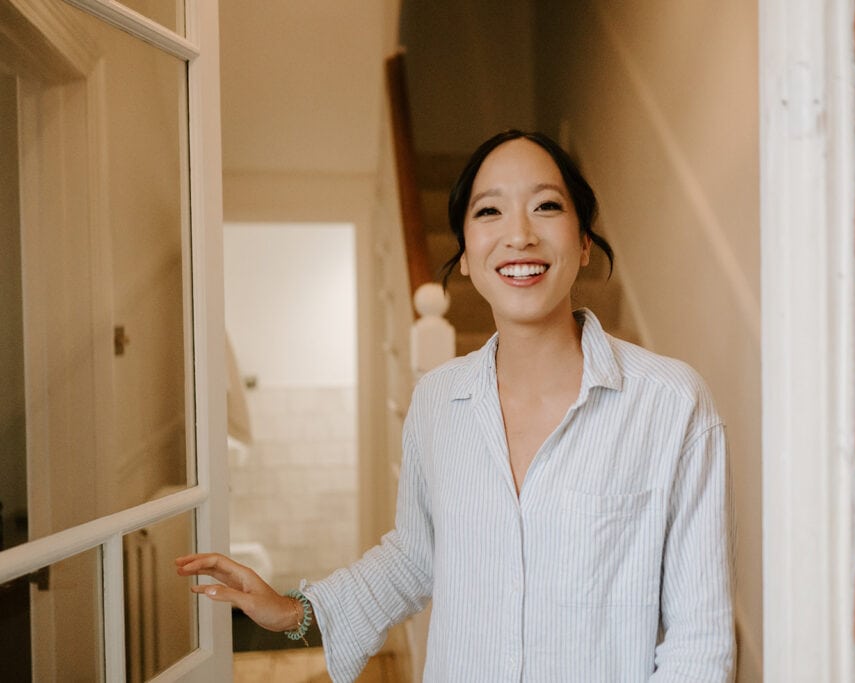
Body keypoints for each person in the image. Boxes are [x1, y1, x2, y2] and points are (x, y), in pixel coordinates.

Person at [176, 130, 735, 681]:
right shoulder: (438, 401)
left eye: (545, 205)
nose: (518, 235)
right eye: (490, 212)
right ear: (465, 255)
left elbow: (700, 645)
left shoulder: (670, 406)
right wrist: (296, 611)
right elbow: (414, 557)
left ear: (584, 241)